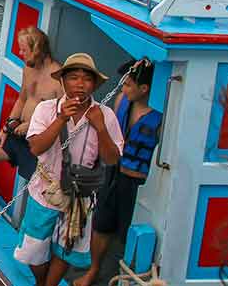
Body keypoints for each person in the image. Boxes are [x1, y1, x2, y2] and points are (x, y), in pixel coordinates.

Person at [14, 53, 124, 286]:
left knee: (66, 248)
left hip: (80, 197)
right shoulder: (46, 109)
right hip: (45, 192)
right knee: (34, 250)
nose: (80, 84)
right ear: (63, 81)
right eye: (73, 77)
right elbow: (36, 147)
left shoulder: (105, 115)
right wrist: (61, 119)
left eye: (86, 79)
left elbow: (112, 159)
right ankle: (42, 281)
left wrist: (101, 128)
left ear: (94, 84)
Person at [73, 58, 162, 286]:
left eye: (128, 84)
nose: (123, 88)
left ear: (144, 89)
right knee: (101, 224)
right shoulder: (123, 102)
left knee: (127, 232)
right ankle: (93, 270)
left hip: (137, 185)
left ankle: (125, 277)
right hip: (113, 174)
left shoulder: (161, 117)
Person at [0, 27, 63, 215]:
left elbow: (60, 116)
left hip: (38, 142)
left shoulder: (58, 77)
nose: (20, 53)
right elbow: (22, 99)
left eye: (24, 50)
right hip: (17, 134)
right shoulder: (29, 68)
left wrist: (30, 125)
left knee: (37, 186)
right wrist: (6, 127)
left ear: (37, 50)